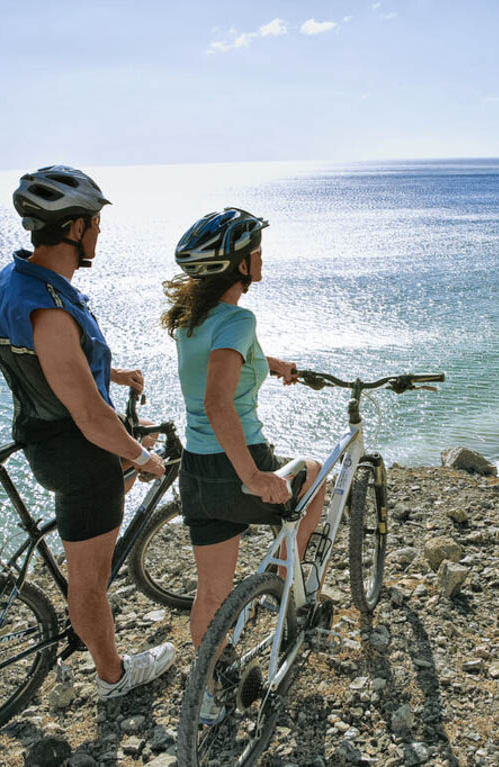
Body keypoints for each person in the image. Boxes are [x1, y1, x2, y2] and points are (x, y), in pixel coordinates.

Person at [0, 165, 174, 699]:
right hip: (78, 453)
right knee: (88, 583)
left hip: (39, 431)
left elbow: (46, 362)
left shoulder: (17, 281)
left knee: (99, 529)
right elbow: (92, 418)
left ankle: (84, 602)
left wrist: (108, 372)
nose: (99, 232)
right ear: (74, 228)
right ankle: (113, 675)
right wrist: (140, 455)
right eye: (94, 222)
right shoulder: (51, 308)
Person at [161, 207, 326, 723]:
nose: (261, 256)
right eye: (254, 250)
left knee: (210, 591)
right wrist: (254, 476)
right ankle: (285, 585)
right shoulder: (238, 318)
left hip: (197, 473)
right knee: (316, 472)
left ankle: (210, 692)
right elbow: (218, 402)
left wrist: (270, 364)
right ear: (237, 265)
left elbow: (222, 359)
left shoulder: (193, 321)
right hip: (240, 463)